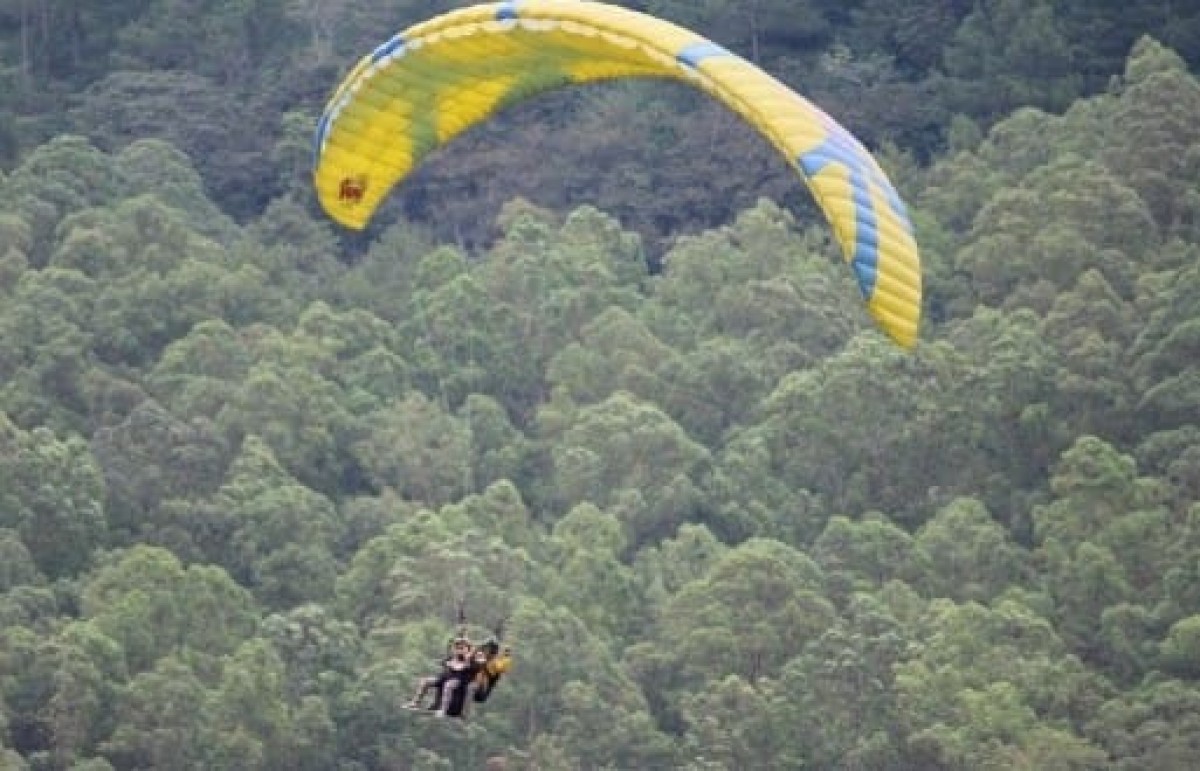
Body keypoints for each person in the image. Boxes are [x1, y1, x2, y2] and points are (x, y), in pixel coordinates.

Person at [408, 635, 481, 717]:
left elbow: (474, 666)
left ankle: (443, 710)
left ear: (467, 649)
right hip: (445, 677)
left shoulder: (471, 660)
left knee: (449, 685)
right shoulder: (452, 657)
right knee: (426, 681)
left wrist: (468, 658)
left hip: (460, 680)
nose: (459, 650)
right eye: (457, 648)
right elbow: (445, 663)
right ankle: (415, 702)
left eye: (462, 648)